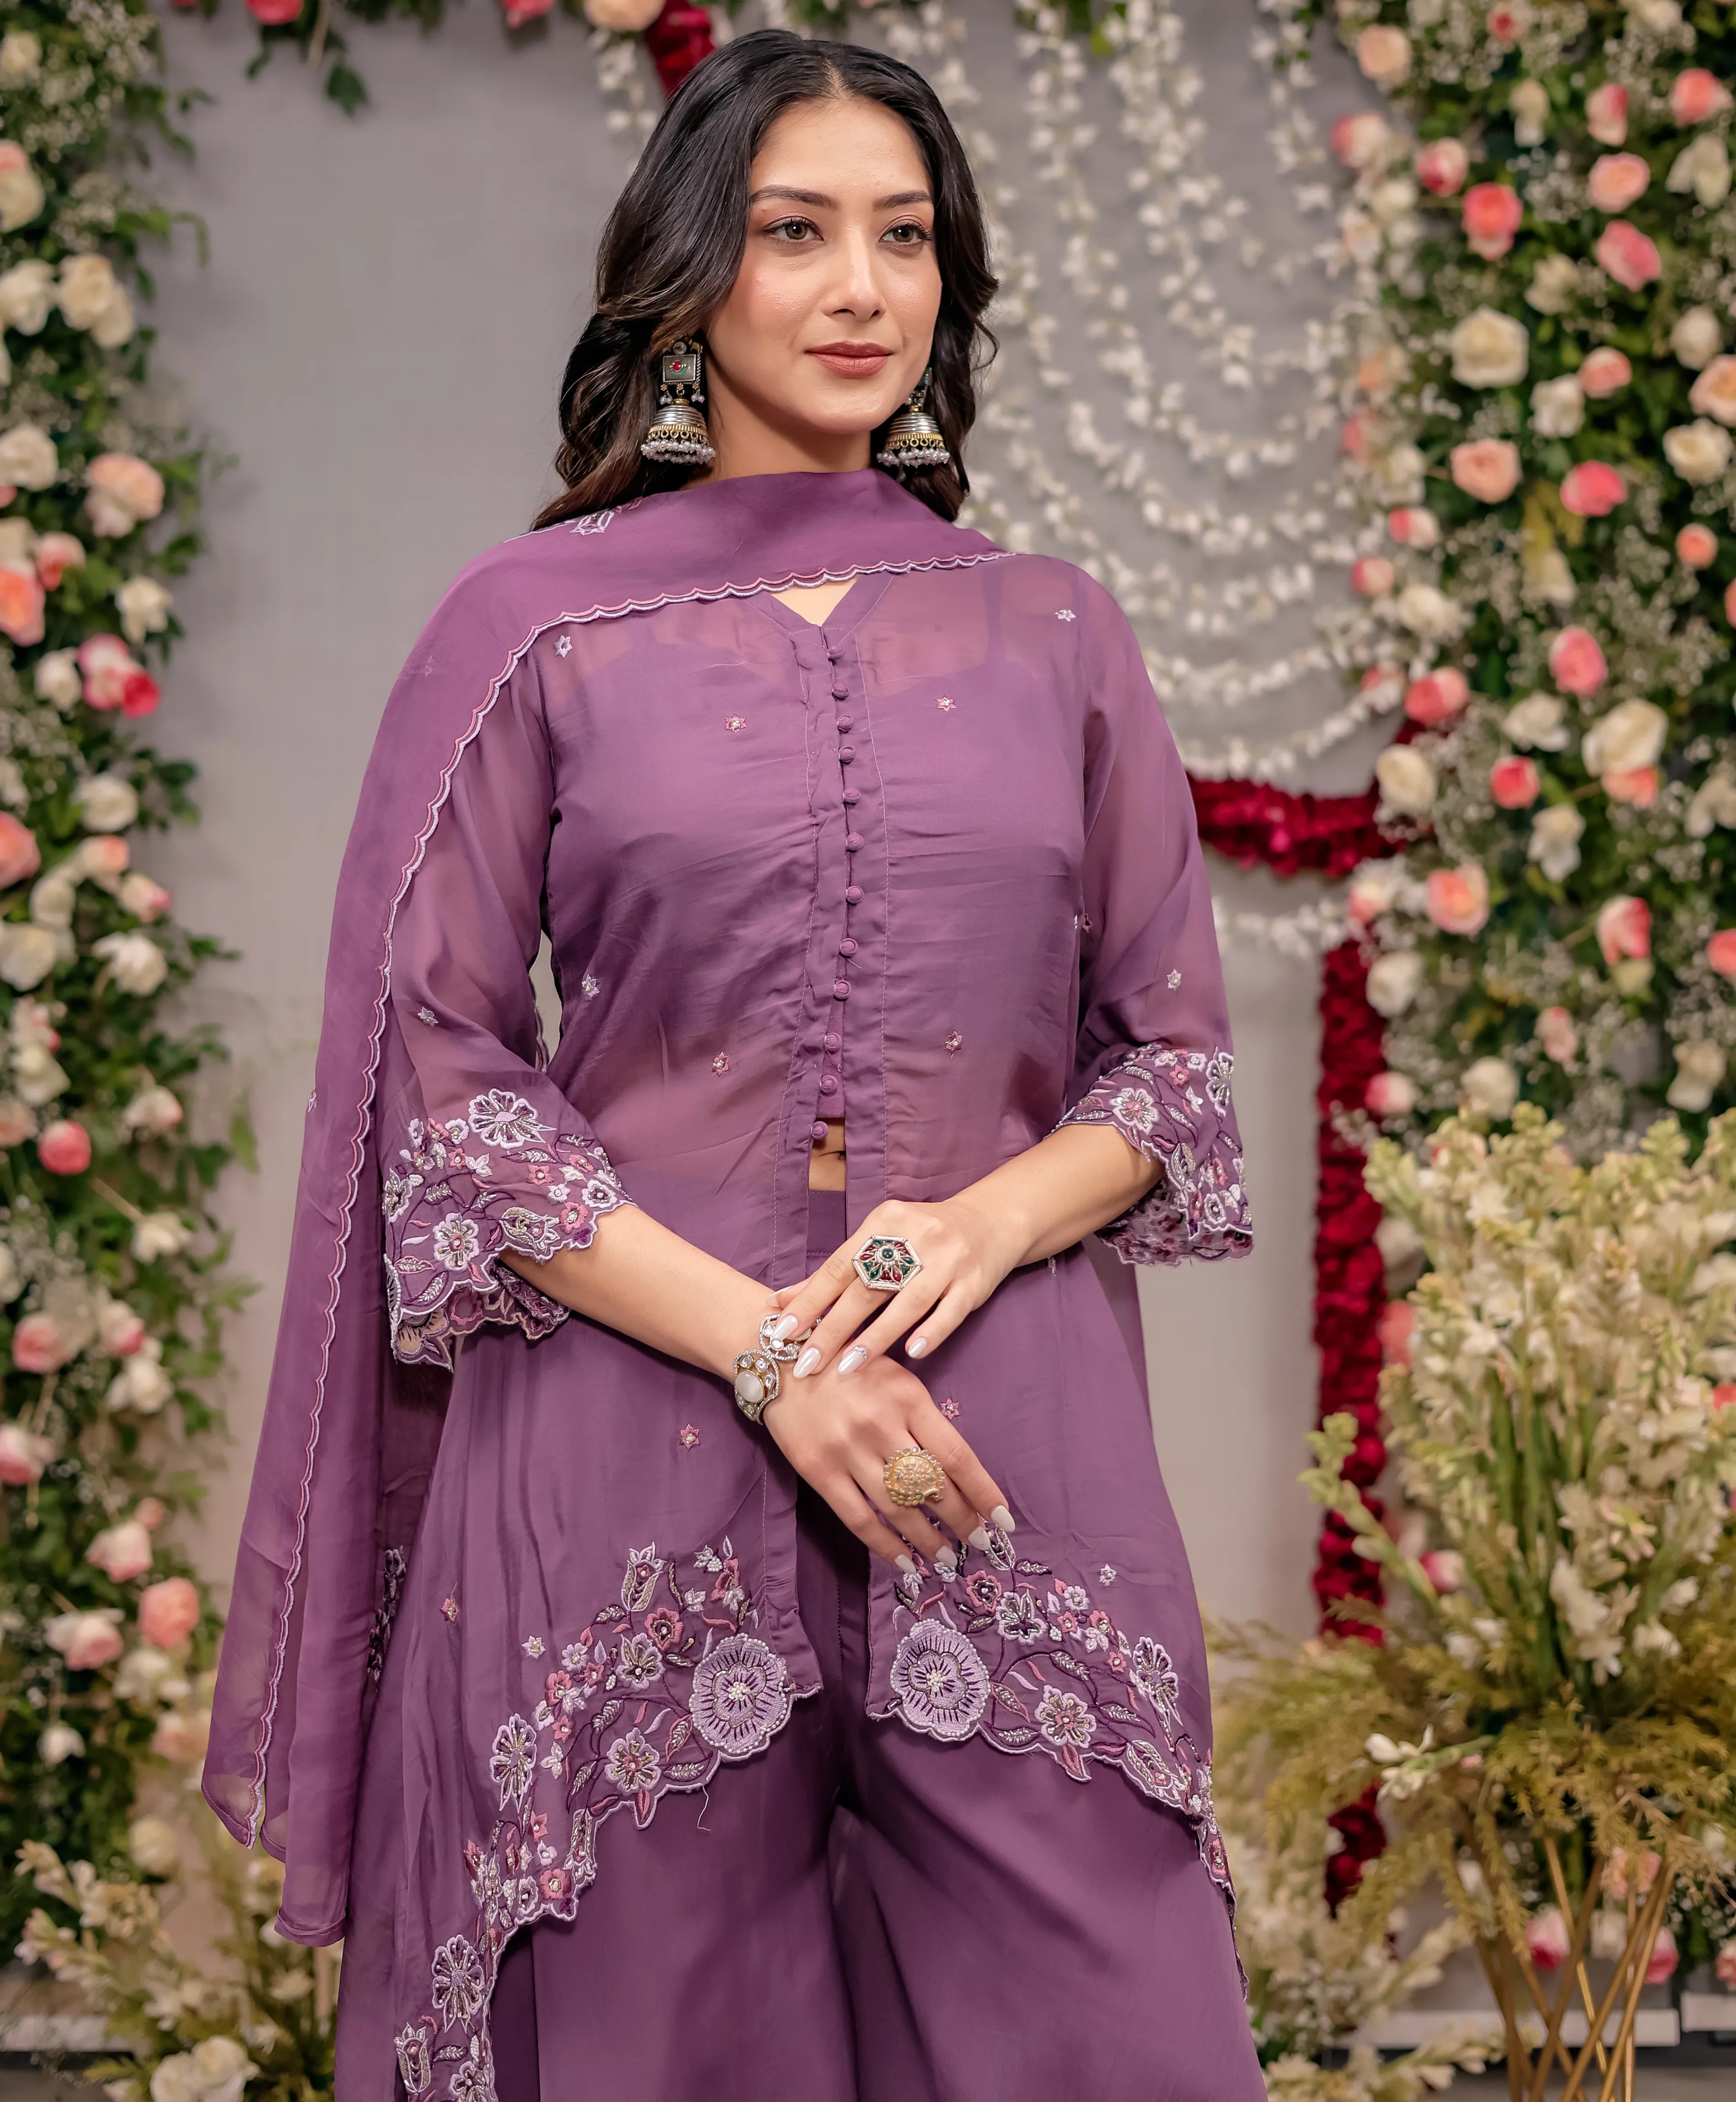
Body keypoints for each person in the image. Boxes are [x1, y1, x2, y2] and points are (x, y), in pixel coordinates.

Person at [202, 28, 1261, 2102]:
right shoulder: (532, 628)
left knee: (1116, 2033)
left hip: (997, 1434)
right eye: (796, 233)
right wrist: (772, 1352)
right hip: (625, 1436)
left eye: (905, 237)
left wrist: (978, 1222)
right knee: (652, 2042)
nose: (863, 289)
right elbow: (442, 1073)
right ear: (689, 276)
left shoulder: (1055, 631)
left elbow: (1172, 1064)